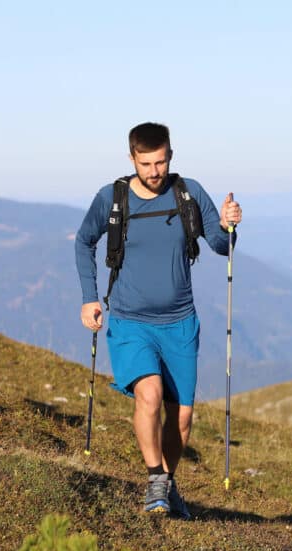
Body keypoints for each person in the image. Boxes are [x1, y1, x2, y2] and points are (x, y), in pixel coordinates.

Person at [75, 122, 242, 518]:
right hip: (130, 320)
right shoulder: (112, 198)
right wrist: (89, 299)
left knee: (181, 419)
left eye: (161, 162)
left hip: (181, 322)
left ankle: (166, 483)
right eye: (146, 163)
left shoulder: (188, 193)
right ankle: (155, 480)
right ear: (132, 159)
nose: (154, 171)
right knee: (148, 395)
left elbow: (221, 247)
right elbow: (84, 241)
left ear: (170, 155)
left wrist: (227, 224)